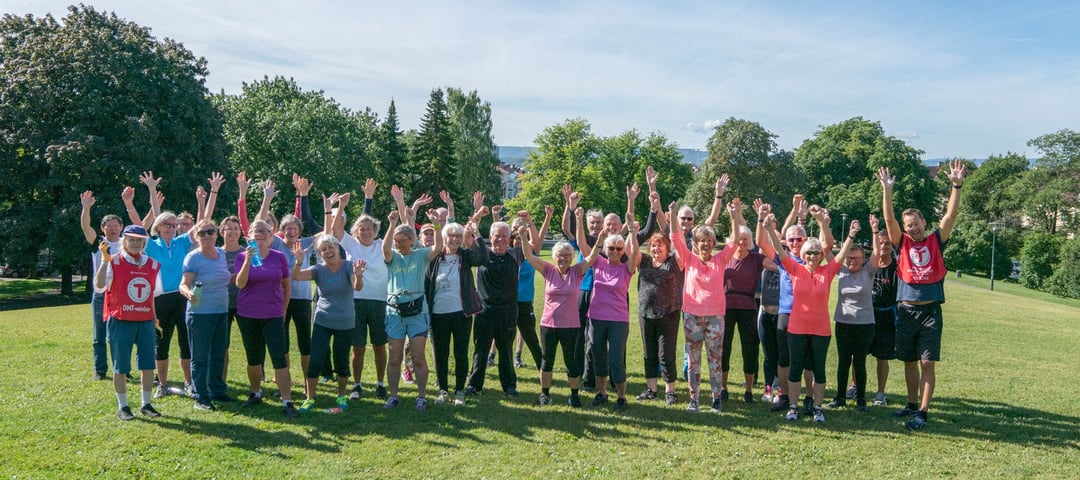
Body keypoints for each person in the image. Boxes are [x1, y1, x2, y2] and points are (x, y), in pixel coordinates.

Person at [878, 161, 966, 431]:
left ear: (924, 223)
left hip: (930, 311)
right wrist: (887, 190)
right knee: (909, 360)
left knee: (927, 362)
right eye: (908, 225)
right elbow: (889, 220)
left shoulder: (936, 240)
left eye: (915, 224)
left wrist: (956, 186)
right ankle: (911, 404)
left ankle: (923, 413)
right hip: (906, 310)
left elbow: (950, 216)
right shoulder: (901, 242)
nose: (912, 228)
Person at [759, 204, 858, 424]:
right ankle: (793, 406)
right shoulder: (794, 269)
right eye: (809, 253)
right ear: (803, 255)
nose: (812, 256)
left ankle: (817, 407)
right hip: (797, 328)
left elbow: (841, 254)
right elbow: (780, 250)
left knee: (818, 370)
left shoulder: (828, 271)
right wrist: (769, 229)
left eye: (816, 252)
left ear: (821, 254)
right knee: (795, 369)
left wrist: (851, 235)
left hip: (821, 330)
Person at [667, 196, 737, 414]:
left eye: (709, 240)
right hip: (692, 316)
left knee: (715, 359)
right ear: (696, 244)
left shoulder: (720, 260)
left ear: (713, 243)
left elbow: (734, 242)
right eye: (701, 241)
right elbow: (675, 237)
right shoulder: (689, 259)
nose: (705, 244)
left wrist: (734, 217)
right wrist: (673, 215)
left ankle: (716, 399)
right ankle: (694, 399)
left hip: (715, 317)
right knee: (693, 359)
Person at [523, 229, 606, 408]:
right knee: (547, 360)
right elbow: (529, 256)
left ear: (572, 257)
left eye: (568, 255)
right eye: (560, 255)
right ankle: (545, 394)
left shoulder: (577, 271)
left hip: (570, 325)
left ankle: (574, 395)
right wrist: (523, 237)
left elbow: (592, 257)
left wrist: (600, 240)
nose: (564, 258)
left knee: (571, 361)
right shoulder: (548, 270)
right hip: (548, 324)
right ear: (555, 256)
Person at [381, 185, 444, 411]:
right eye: (396, 241)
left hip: (417, 312)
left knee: (418, 358)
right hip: (394, 313)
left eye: (401, 241)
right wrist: (391, 225)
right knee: (395, 358)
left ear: (411, 240)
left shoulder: (420, 255)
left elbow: (438, 246)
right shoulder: (393, 257)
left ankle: (422, 396)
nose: (398, 245)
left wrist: (436, 224)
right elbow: (385, 249)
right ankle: (393, 396)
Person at [424, 193, 488, 406]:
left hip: (462, 313)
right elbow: (427, 284)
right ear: (444, 237)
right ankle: (442, 390)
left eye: (458, 236)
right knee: (440, 354)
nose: (454, 239)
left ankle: (459, 391)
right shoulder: (434, 258)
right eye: (450, 236)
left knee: (461, 353)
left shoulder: (465, 256)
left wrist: (476, 234)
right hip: (438, 313)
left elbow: (483, 258)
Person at [290, 235, 364, 413]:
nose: (328, 251)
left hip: (345, 322)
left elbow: (357, 287)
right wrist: (298, 262)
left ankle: (341, 395)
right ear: (320, 254)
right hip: (323, 321)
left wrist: (359, 275)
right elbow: (296, 276)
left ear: (338, 248)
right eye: (323, 249)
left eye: (331, 247)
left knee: (341, 361)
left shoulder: (348, 266)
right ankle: (310, 397)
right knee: (315, 360)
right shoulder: (318, 269)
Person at [95, 225, 162, 421]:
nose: (135, 243)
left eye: (139, 240)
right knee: (121, 366)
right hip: (121, 320)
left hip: (145, 321)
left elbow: (152, 294)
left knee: (147, 364)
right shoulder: (114, 261)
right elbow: (99, 286)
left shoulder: (153, 264)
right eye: (131, 239)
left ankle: (146, 404)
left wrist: (154, 318)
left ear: (144, 243)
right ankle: (123, 406)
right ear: (124, 241)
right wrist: (104, 262)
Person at [578, 209, 640, 411]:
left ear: (622, 251)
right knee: (598, 356)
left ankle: (621, 396)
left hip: (618, 320)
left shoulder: (626, 268)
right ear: (605, 249)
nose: (614, 251)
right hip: (596, 318)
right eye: (611, 248)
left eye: (618, 249)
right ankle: (602, 392)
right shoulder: (598, 262)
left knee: (616, 359)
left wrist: (632, 231)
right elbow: (582, 246)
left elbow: (635, 253)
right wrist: (579, 220)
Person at [235, 219, 298, 418]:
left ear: (271, 236)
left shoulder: (279, 257)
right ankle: (255, 393)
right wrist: (248, 260)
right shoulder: (241, 257)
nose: (260, 233)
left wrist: (284, 310)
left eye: (264, 230)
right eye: (256, 230)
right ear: (249, 236)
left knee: (279, 358)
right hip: (248, 314)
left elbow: (287, 286)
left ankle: (287, 400)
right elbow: (240, 284)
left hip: (273, 315)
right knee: (254, 357)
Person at [335, 180, 390, 401]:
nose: (366, 232)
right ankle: (357, 385)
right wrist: (341, 205)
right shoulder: (351, 244)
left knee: (379, 346)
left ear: (375, 231)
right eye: (362, 229)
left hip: (379, 302)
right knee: (357, 347)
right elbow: (335, 230)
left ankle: (380, 384)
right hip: (356, 301)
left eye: (369, 229)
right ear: (356, 231)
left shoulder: (381, 245)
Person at [827, 214, 884, 412]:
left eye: (856, 258)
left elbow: (877, 252)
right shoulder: (841, 271)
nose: (852, 261)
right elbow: (827, 250)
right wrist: (825, 224)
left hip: (864, 325)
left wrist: (875, 230)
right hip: (843, 323)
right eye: (849, 258)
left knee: (859, 362)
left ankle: (861, 399)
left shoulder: (868, 271)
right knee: (843, 362)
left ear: (863, 259)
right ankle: (840, 397)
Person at [466, 211, 525, 398]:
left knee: (506, 351)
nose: (500, 239)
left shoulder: (515, 254)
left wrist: (528, 225)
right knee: (481, 350)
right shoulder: (481, 253)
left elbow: (535, 244)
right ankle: (474, 385)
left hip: (507, 312)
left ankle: (509, 386)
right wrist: (476, 217)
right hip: (484, 311)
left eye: (504, 236)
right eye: (497, 236)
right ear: (490, 237)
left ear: (509, 239)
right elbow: (466, 236)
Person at [721, 202, 775, 404]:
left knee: (750, 348)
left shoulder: (756, 259)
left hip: (748, 307)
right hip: (725, 307)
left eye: (745, 239)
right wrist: (733, 216)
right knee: (724, 348)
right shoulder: (725, 257)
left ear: (749, 241)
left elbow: (779, 265)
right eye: (739, 239)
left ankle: (749, 390)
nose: (742, 242)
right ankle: (723, 388)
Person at [179, 220, 232, 410]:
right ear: (196, 237)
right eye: (202, 233)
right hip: (200, 313)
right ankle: (200, 396)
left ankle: (217, 390)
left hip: (221, 311)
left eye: (210, 232)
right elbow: (183, 284)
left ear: (217, 234)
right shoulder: (193, 258)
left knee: (218, 353)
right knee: (200, 357)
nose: (207, 236)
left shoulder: (222, 255)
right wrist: (188, 293)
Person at [635, 232, 683, 405]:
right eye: (653, 245)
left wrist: (673, 223)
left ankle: (670, 391)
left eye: (660, 244)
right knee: (649, 353)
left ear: (667, 247)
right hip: (646, 313)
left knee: (666, 353)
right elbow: (631, 249)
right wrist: (632, 231)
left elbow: (681, 246)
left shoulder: (673, 262)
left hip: (668, 314)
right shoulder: (645, 261)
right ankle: (652, 390)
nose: (656, 248)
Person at [80, 191, 123, 381]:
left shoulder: (127, 243)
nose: (112, 229)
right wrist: (86, 208)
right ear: (102, 228)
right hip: (100, 294)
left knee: (118, 334)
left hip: (120, 295)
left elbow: (143, 226)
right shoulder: (98, 242)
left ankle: (121, 368)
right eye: (109, 226)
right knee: (99, 335)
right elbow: (85, 226)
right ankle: (100, 370)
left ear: (121, 227)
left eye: (115, 226)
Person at [510, 207, 551, 370]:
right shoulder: (509, 253)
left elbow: (537, 239)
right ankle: (494, 357)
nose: (519, 240)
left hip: (525, 301)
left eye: (522, 237)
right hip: (508, 301)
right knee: (504, 334)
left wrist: (530, 221)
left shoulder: (531, 254)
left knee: (529, 335)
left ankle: (541, 367)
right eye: (516, 238)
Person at [870, 228, 899, 406]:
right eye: (880, 242)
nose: (883, 246)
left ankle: (880, 393)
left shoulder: (896, 268)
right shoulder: (868, 264)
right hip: (867, 315)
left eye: (887, 243)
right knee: (858, 354)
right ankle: (854, 386)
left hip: (887, 317)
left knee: (882, 356)